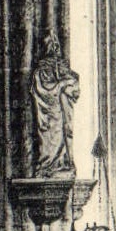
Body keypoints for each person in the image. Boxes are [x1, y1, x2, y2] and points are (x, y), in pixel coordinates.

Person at [32, 33, 81, 176]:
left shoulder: (60, 67)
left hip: (61, 111)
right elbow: (45, 91)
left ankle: (62, 164)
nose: (55, 48)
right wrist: (62, 85)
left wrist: (67, 83)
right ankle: (48, 165)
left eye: (56, 45)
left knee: (63, 135)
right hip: (49, 113)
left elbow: (74, 83)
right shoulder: (41, 71)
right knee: (51, 138)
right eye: (52, 45)